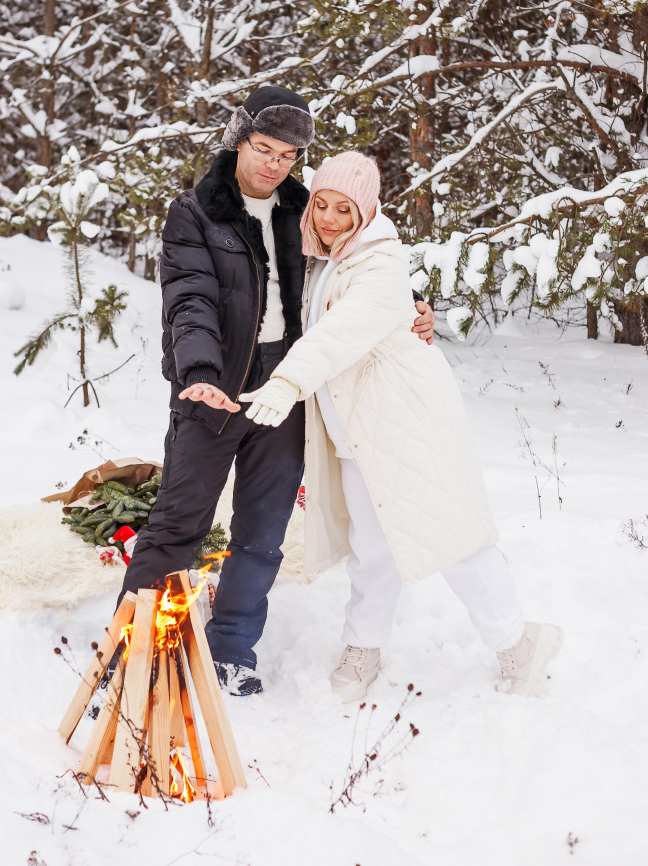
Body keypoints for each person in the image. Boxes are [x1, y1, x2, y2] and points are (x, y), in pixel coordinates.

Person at [117, 88, 436, 696]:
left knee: (262, 534)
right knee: (177, 524)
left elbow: (362, 255)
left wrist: (411, 306)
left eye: (288, 155)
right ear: (239, 141)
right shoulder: (196, 211)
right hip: (211, 381)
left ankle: (232, 647)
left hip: (285, 388)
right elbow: (189, 298)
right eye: (263, 149)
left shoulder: (304, 209)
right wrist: (201, 373)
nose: (273, 164)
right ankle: (130, 652)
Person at [240, 151, 564, 702]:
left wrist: (287, 383)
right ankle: (364, 645)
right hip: (354, 432)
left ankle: (519, 644)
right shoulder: (325, 256)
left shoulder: (380, 262)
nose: (330, 218)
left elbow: (340, 333)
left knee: (450, 538)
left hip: (405, 422)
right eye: (322, 204)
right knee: (372, 546)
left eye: (345, 209)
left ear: (367, 211)